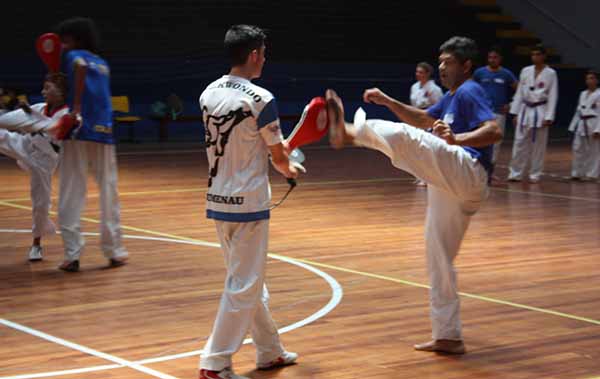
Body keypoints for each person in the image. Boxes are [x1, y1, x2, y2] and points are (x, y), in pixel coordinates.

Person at [328, 36, 502, 354]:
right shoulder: (450, 98)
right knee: (438, 256)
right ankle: (448, 336)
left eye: (448, 62)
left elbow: (494, 130)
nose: (442, 67)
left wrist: (458, 138)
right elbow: (423, 117)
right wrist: (387, 101)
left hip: (469, 170)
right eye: (440, 62)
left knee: (409, 138)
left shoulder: (470, 90)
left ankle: (351, 134)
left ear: (466, 66)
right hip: (454, 185)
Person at [198, 24, 298, 379]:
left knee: (247, 279)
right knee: (244, 284)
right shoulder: (261, 99)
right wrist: (291, 167)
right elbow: (279, 157)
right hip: (248, 203)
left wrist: (281, 156)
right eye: (264, 53)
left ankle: (270, 351)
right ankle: (215, 362)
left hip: (217, 199)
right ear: (254, 54)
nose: (265, 59)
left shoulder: (208, 93)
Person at [52, 17, 128, 272]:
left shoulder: (74, 56)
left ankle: (72, 254)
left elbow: (80, 67)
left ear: (74, 38)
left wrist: (74, 108)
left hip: (79, 128)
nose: (62, 45)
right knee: (109, 191)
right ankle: (115, 251)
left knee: (71, 191)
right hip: (104, 130)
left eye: (64, 39)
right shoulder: (103, 62)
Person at [0, 73, 69, 261]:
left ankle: (36, 245)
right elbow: (14, 121)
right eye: (43, 87)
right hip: (24, 145)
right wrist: (23, 114)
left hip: (43, 163)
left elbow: (53, 129)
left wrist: (32, 118)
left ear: (61, 92)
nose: (42, 91)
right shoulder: (37, 108)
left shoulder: (68, 116)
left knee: (41, 205)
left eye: (47, 88)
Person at [507, 44, 558, 183]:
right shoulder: (525, 71)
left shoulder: (551, 73)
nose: (534, 57)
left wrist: (549, 116)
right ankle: (515, 173)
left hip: (540, 110)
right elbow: (519, 93)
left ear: (543, 56)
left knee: (538, 147)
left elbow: (553, 95)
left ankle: (535, 174)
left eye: (537, 54)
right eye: (533, 54)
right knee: (519, 144)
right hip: (524, 110)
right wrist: (515, 112)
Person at [473, 46, 517, 170]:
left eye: (495, 57)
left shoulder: (506, 74)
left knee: (496, 142)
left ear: (500, 59)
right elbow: (471, 88)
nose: (492, 60)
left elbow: (519, 89)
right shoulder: (480, 73)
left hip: (499, 112)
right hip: (482, 112)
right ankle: (479, 167)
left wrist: (511, 104)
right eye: (490, 57)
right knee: (480, 139)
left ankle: (490, 170)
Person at [410, 62, 443, 186]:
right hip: (417, 119)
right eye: (417, 72)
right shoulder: (414, 87)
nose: (418, 74)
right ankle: (420, 175)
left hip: (429, 119)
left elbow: (439, 107)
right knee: (417, 148)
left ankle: (429, 177)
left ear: (428, 74)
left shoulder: (435, 89)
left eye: (421, 72)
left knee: (428, 149)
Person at [568, 70, 600, 181]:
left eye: (591, 78)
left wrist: (598, 129)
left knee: (594, 150)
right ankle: (576, 173)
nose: (589, 80)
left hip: (594, 123)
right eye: (587, 78)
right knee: (577, 148)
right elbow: (578, 110)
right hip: (581, 124)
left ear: (597, 80)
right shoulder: (582, 94)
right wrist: (572, 126)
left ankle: (592, 174)